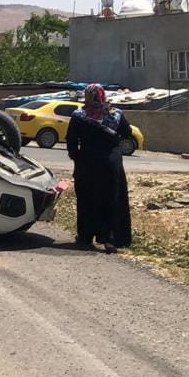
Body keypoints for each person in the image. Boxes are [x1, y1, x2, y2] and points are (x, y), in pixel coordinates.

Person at [67, 84, 135, 252]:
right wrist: (114, 143)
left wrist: (77, 157)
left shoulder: (79, 115)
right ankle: (110, 239)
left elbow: (71, 140)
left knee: (86, 198)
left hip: (87, 161)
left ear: (87, 96)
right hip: (111, 162)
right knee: (111, 198)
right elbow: (127, 133)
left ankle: (85, 236)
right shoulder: (116, 114)